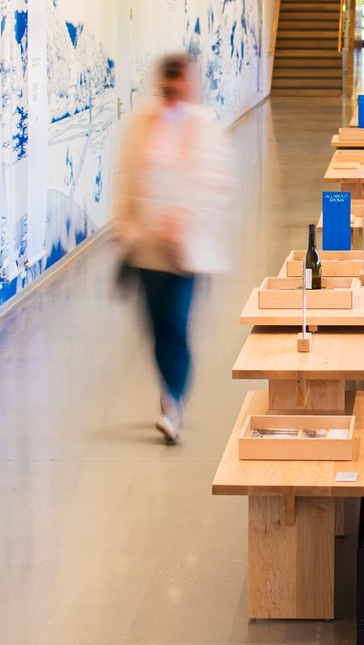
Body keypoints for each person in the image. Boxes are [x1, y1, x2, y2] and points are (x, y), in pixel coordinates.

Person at [113, 53, 229, 444]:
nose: (176, 94)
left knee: (176, 326)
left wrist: (186, 219)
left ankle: (172, 403)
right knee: (157, 326)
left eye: (182, 86)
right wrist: (125, 226)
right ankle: (169, 391)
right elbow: (126, 177)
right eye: (170, 87)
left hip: (185, 253)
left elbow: (216, 184)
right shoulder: (140, 124)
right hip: (146, 250)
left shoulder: (204, 127)